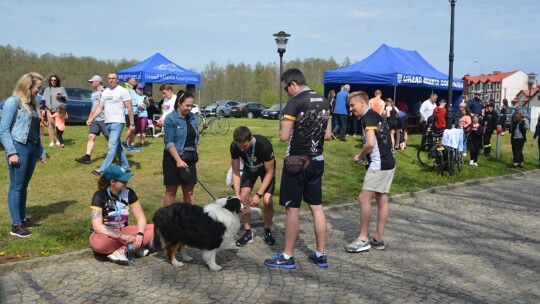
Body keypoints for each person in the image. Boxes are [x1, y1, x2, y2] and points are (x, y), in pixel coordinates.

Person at [264, 68, 332, 269]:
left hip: (296, 161)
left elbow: (284, 137)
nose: (286, 92)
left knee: (292, 209)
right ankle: (320, 254)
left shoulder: (294, 102)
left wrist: (283, 127)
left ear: (292, 84)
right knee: (316, 207)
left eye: (286, 88)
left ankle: (287, 256)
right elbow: (327, 136)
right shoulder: (325, 101)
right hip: (317, 159)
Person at [344, 91, 396, 253]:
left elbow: (371, 143)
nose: (351, 110)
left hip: (379, 165)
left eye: (353, 106)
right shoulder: (376, 116)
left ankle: (363, 239)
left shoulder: (368, 118)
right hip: (389, 162)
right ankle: (378, 239)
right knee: (382, 199)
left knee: (363, 198)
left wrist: (360, 155)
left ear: (362, 103)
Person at [0, 72, 47, 238]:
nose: (39, 91)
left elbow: (37, 131)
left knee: (23, 186)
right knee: (16, 186)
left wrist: (41, 150)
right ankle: (15, 225)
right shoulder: (13, 102)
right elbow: (3, 130)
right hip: (19, 148)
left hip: (32, 149)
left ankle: (22, 219)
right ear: (28, 86)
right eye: (37, 87)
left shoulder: (33, 104)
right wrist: (12, 152)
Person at [89, 166, 154, 265]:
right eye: (123, 181)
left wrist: (140, 234)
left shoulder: (129, 192)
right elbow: (97, 226)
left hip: (124, 229)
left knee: (155, 228)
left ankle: (123, 250)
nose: (126, 183)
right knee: (99, 244)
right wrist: (121, 236)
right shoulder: (99, 196)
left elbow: (141, 218)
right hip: (106, 234)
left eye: (127, 181)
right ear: (112, 182)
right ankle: (133, 248)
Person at [230, 126, 276, 247]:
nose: (241, 149)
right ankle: (248, 232)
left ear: (251, 139)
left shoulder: (264, 145)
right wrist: (237, 194)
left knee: (267, 200)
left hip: (265, 171)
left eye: (244, 146)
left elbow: (270, 172)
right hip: (250, 169)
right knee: (243, 197)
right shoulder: (235, 146)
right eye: (239, 145)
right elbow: (235, 172)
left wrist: (258, 194)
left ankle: (267, 230)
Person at [86, 72, 135, 176]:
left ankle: (102, 169)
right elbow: (100, 107)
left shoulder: (123, 91)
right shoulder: (105, 92)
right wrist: (91, 118)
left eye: (113, 78)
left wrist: (132, 123)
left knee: (111, 146)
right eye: (109, 78)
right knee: (116, 146)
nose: (111, 80)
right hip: (107, 122)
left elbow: (130, 108)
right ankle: (126, 167)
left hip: (118, 122)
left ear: (118, 80)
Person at [162, 90, 199, 206]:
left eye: (191, 105)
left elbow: (196, 138)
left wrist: (197, 152)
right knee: (171, 191)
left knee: (189, 191)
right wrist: (178, 160)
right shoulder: (170, 118)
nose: (190, 108)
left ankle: (190, 220)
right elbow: (169, 142)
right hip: (173, 159)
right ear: (179, 103)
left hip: (190, 158)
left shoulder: (193, 118)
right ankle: (167, 221)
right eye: (187, 105)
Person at [75, 75, 109, 164]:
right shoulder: (93, 94)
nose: (91, 83)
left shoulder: (106, 91)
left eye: (92, 81)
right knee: (91, 136)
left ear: (98, 82)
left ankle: (117, 155)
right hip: (95, 119)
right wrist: (90, 118)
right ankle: (87, 157)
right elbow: (93, 107)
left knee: (109, 138)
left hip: (105, 119)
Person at [41, 74, 67, 147]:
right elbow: (43, 100)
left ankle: (58, 140)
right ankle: (52, 141)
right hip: (49, 109)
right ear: (50, 81)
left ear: (57, 81)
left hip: (59, 110)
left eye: (54, 80)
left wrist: (61, 97)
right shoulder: (47, 89)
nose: (53, 81)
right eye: (51, 80)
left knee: (58, 126)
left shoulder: (61, 89)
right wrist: (43, 109)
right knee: (51, 125)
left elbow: (66, 100)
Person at [122, 79, 141, 152]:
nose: (135, 81)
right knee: (131, 128)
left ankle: (132, 145)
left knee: (134, 129)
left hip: (135, 112)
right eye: (133, 80)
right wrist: (127, 85)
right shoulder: (127, 89)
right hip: (129, 112)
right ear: (129, 82)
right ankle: (124, 142)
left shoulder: (134, 90)